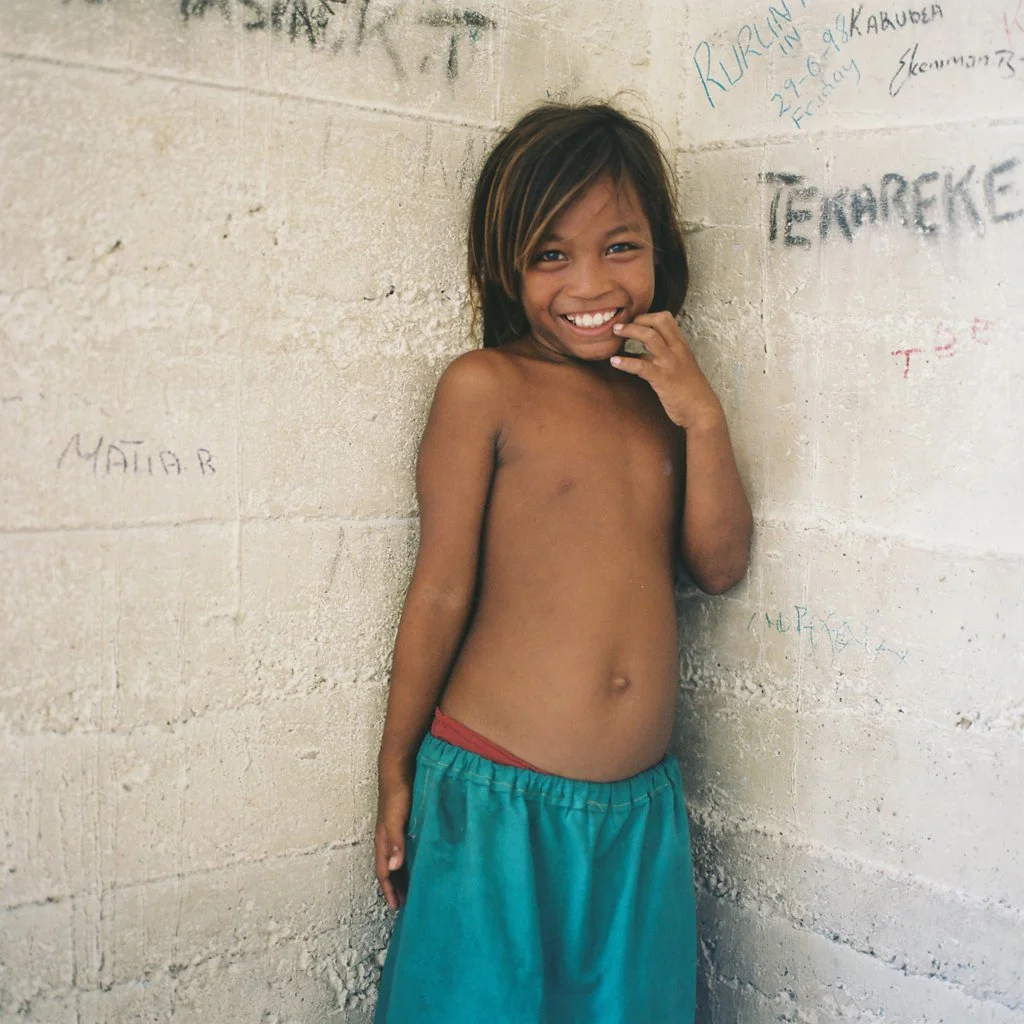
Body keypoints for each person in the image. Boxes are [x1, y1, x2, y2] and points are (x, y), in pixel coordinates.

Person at [373, 101, 752, 1023]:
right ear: (508, 265)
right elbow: (441, 590)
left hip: (638, 818)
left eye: (619, 247)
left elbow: (718, 564)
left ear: (660, 249)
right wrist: (394, 769)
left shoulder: (658, 399)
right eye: (552, 255)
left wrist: (703, 414)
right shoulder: (485, 387)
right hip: (496, 804)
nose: (590, 281)